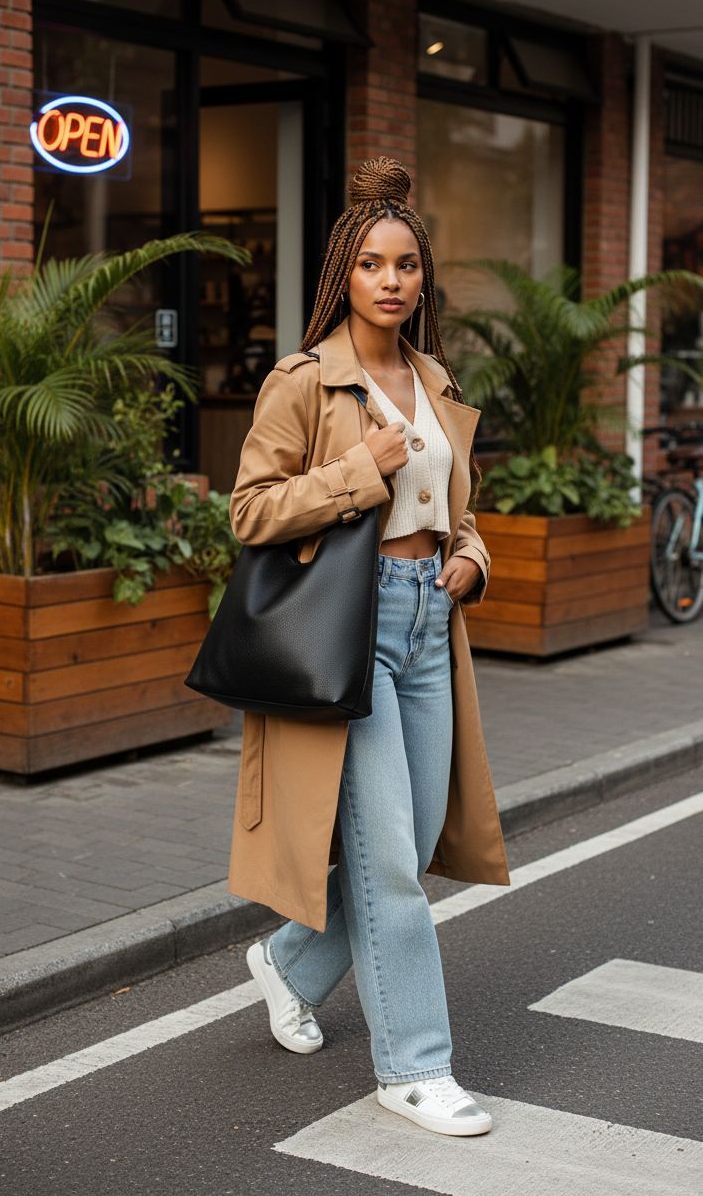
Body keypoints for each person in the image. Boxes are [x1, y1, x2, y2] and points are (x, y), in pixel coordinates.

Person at [228, 156, 511, 1137]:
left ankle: (289, 963)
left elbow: (458, 510)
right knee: (388, 857)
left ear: (423, 278)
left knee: (409, 840)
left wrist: (471, 557)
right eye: (370, 264)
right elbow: (250, 511)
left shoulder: (433, 378)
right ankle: (414, 1068)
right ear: (341, 276)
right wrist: (357, 470)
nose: (390, 280)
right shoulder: (304, 380)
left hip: (431, 623)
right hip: (349, 630)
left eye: (406, 265)